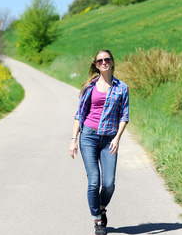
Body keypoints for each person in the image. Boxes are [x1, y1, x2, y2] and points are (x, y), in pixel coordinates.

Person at [69, 50, 129, 235]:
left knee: (109, 183)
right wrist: (73, 140)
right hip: (88, 136)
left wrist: (117, 138)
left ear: (112, 62)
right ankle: (97, 221)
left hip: (110, 138)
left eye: (107, 59)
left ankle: (101, 207)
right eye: (100, 60)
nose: (104, 62)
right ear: (96, 64)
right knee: (94, 181)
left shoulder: (122, 87)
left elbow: (124, 115)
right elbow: (80, 114)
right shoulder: (89, 86)